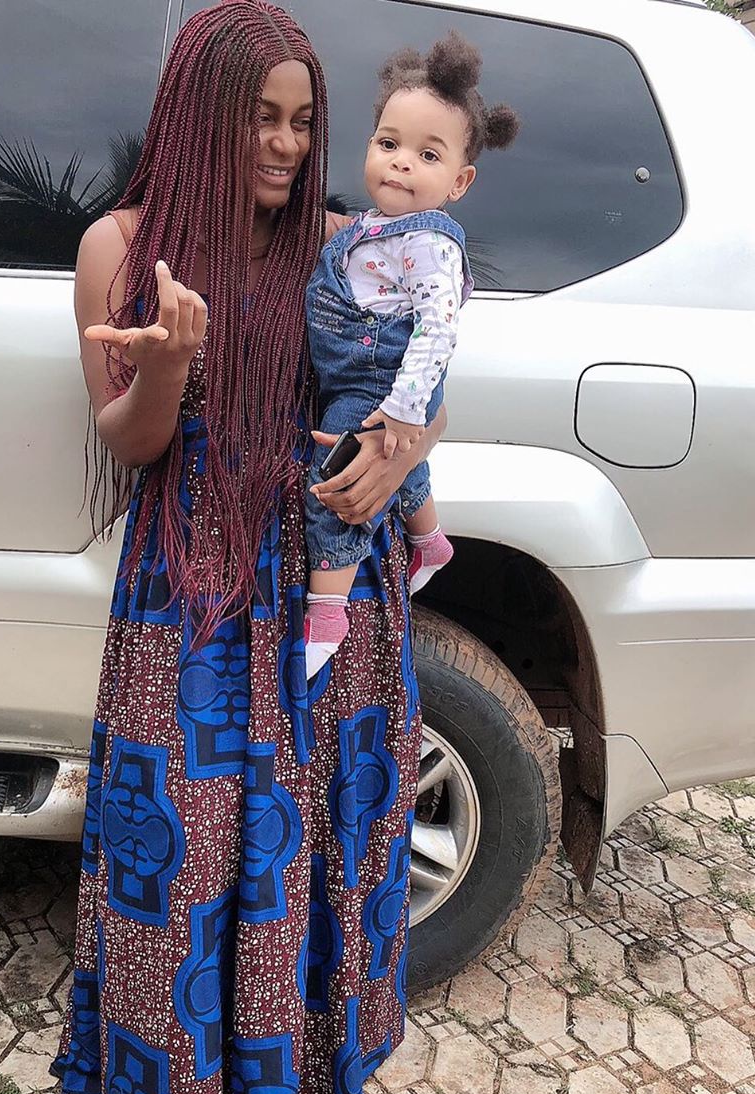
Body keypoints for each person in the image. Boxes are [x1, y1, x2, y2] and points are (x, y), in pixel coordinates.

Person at [50, 5, 447, 1094]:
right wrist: (169, 362)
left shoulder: (342, 243)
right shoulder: (120, 248)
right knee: (181, 863)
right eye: (259, 120)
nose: (285, 145)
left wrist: (396, 452)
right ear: (198, 119)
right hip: (192, 595)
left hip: (323, 588)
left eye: (302, 121)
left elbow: (422, 380)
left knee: (307, 855)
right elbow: (129, 442)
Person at [302, 33, 519, 678]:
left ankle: (327, 611)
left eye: (427, 154)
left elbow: (437, 331)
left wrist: (404, 410)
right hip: (364, 376)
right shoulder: (369, 228)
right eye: (388, 143)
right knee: (389, 469)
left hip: (381, 378)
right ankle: (429, 540)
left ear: (459, 181)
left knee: (337, 483)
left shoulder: (428, 243)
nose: (400, 163)